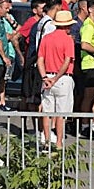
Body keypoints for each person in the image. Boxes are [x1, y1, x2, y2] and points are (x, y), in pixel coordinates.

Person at [37, 9, 76, 148]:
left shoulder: (46, 38)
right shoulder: (68, 40)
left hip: (47, 76)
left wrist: (44, 77)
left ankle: (47, 140)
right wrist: (56, 78)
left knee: (47, 112)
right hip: (63, 78)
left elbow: (40, 60)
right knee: (60, 114)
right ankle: (59, 142)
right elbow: (67, 61)